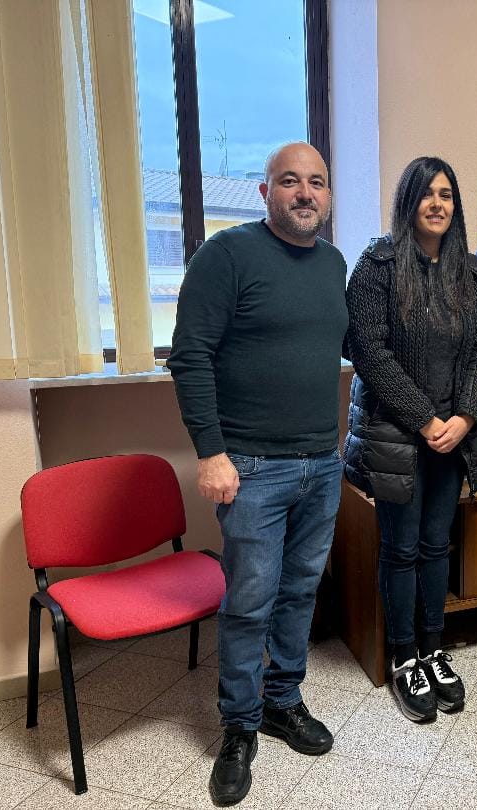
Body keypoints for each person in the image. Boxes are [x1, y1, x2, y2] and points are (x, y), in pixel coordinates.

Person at [167, 142, 347, 806]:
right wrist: (210, 452)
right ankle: (239, 725)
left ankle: (282, 700)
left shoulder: (333, 263)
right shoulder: (227, 255)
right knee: (249, 603)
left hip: (322, 463)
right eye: (290, 181)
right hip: (250, 468)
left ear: (328, 195)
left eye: (317, 182)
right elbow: (190, 355)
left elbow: (337, 347)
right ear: (265, 191)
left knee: (300, 593)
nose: (305, 193)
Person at [344, 156, 477, 722]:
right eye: (427, 193)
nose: (437, 204)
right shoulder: (377, 266)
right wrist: (426, 420)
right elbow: (369, 352)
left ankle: (433, 647)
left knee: (436, 545)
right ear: (408, 201)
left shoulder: (470, 274)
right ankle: (404, 655)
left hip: (453, 439)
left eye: (447, 194)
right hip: (396, 437)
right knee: (401, 548)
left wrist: (465, 417)